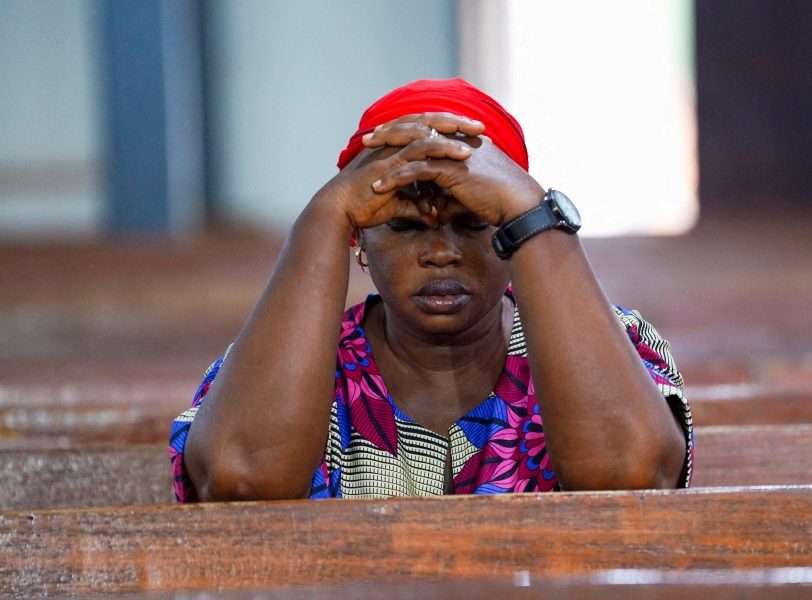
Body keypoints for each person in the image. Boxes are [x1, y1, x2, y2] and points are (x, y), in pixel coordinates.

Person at [169, 78, 692, 501]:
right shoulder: (283, 358)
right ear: (359, 244)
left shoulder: (615, 339)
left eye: (472, 225)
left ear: (513, 239)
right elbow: (241, 478)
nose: (441, 252)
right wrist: (325, 214)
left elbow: (634, 477)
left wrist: (533, 211)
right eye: (404, 227)